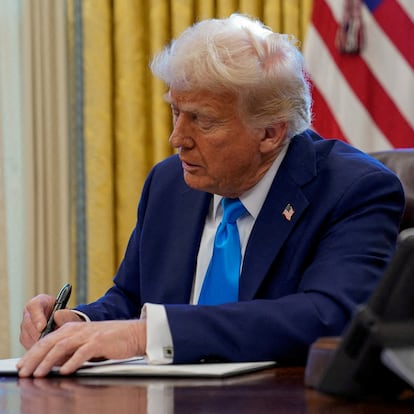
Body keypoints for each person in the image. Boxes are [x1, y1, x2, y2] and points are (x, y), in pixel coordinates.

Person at [18, 14, 404, 377]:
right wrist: (80, 323)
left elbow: (330, 315)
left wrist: (143, 336)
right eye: (176, 112)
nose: (177, 140)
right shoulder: (169, 183)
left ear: (270, 133)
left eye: (202, 120)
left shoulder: (354, 190)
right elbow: (131, 296)